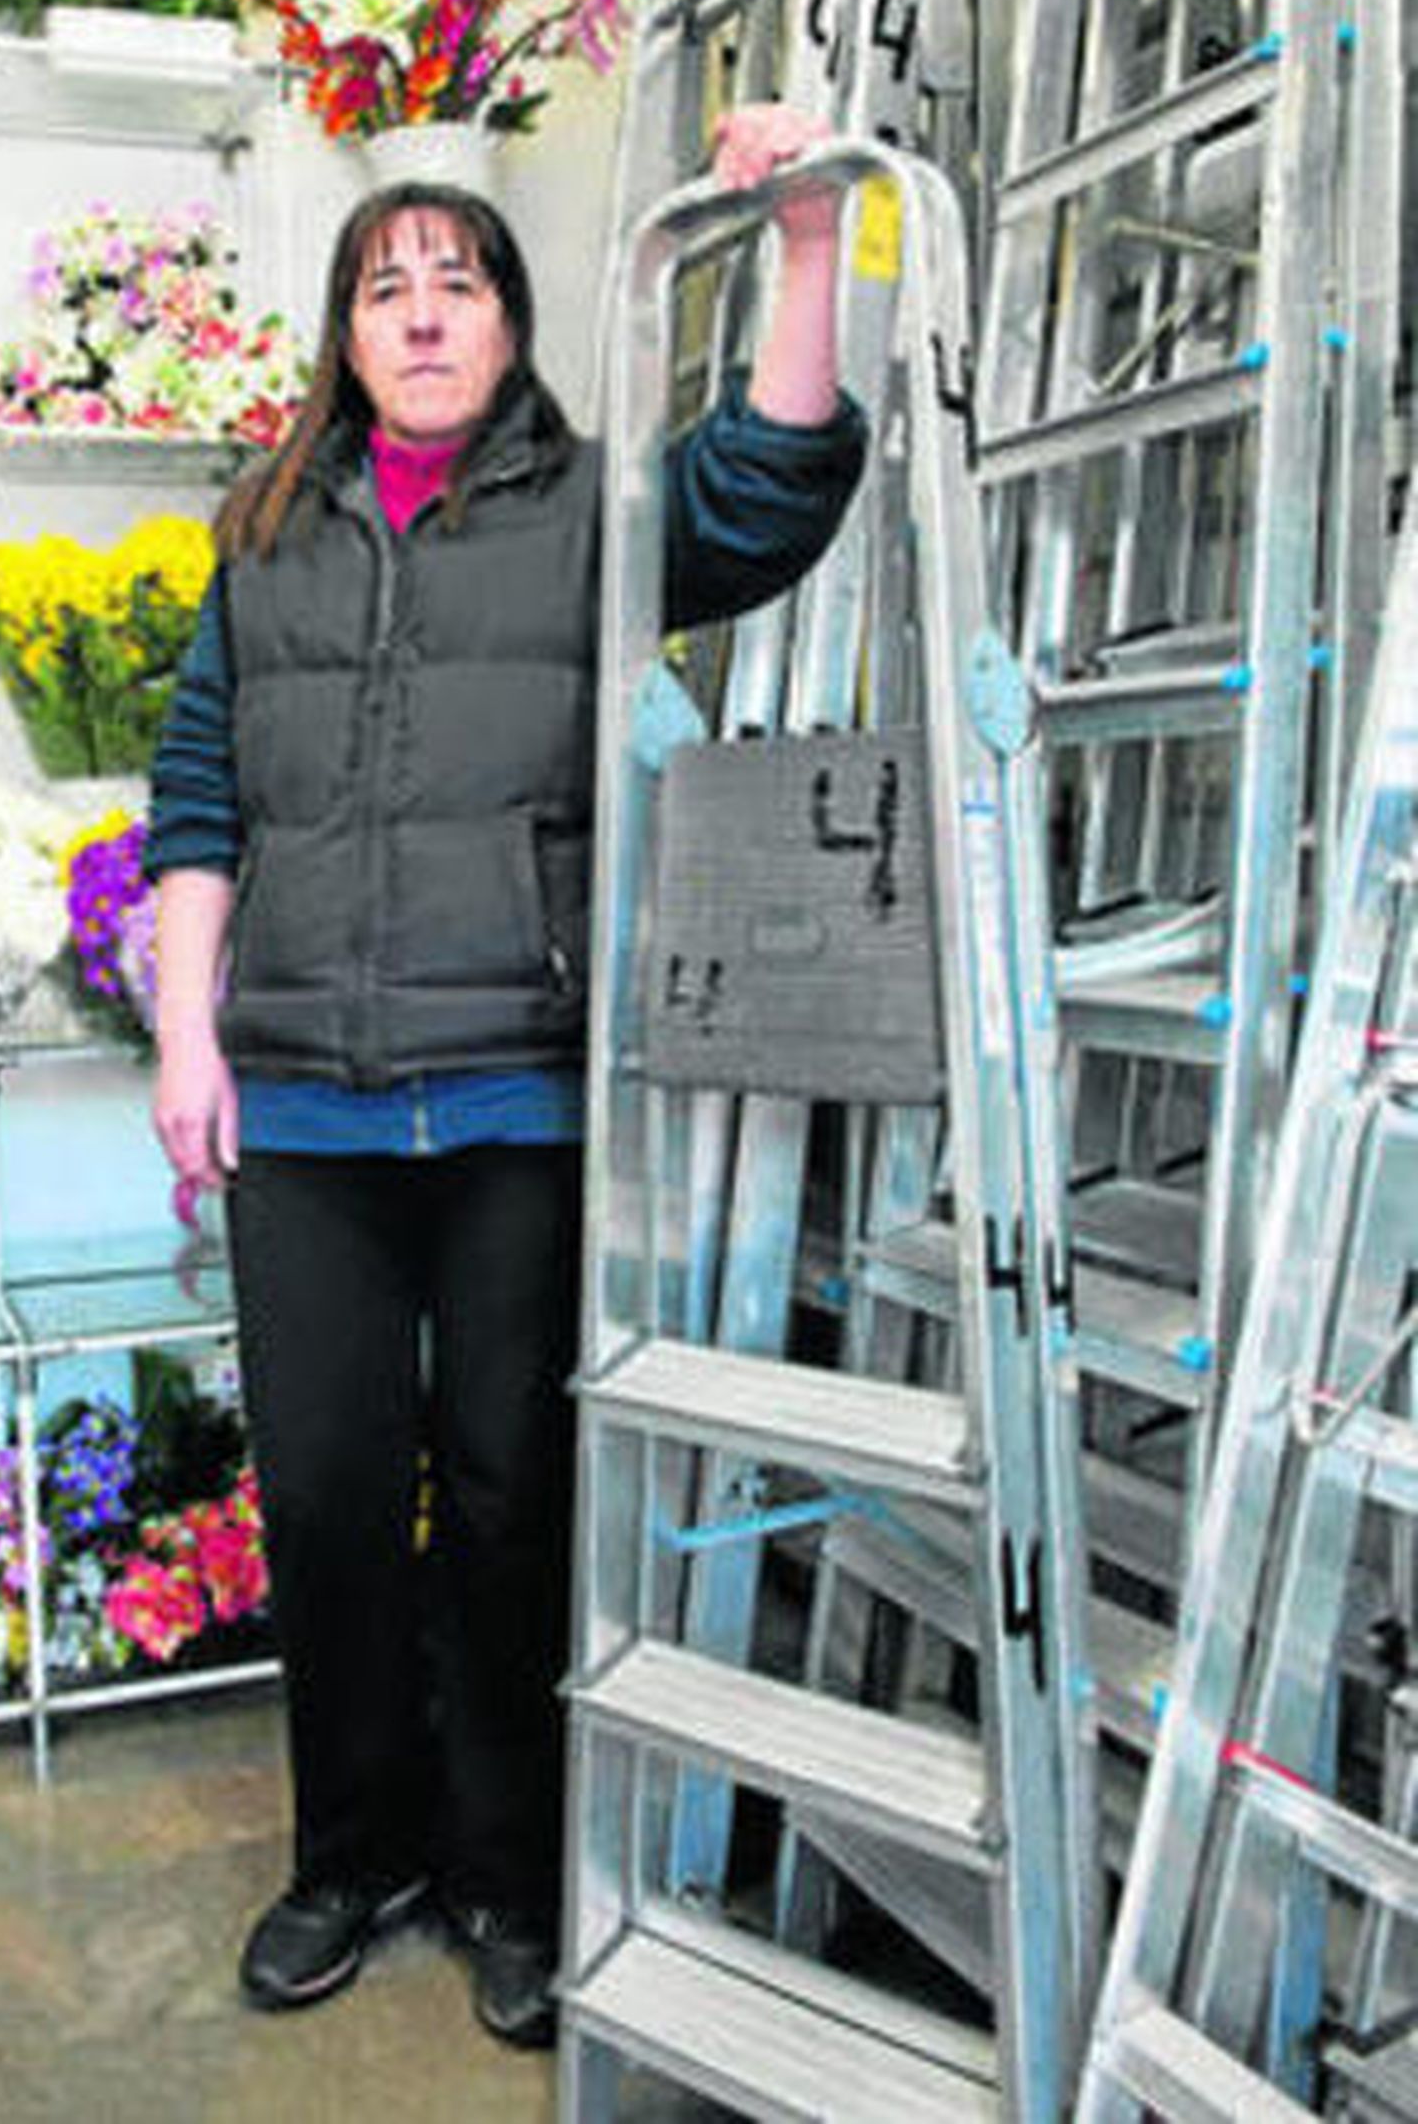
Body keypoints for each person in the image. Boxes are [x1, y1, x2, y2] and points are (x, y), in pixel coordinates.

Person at [145, 101, 866, 2046]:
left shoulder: (586, 516)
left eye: (457, 279)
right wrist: (186, 1032)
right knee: (318, 1490)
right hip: (300, 1100)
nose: (422, 311)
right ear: (344, 332)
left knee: (506, 1494)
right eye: (385, 286)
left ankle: (500, 1875)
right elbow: (195, 799)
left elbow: (770, 484)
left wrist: (801, 245)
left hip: (512, 1100)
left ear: (511, 320)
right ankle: (346, 1854)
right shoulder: (263, 530)